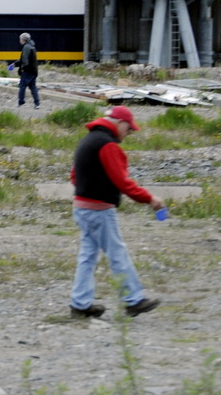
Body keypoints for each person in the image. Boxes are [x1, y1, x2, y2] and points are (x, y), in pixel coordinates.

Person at [68, 106, 164, 318]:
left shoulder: (88, 140)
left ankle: (80, 303)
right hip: (99, 210)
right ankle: (133, 300)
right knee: (117, 253)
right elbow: (122, 181)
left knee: (88, 256)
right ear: (120, 123)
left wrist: (87, 190)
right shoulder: (107, 145)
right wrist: (149, 199)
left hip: (82, 207)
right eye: (129, 129)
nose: (128, 134)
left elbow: (74, 175)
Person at [17, 32, 40, 108]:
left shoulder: (26, 47)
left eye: (20, 39)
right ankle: (37, 103)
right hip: (34, 70)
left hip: (27, 71)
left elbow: (25, 60)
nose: (20, 41)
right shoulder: (32, 46)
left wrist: (22, 69)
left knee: (22, 86)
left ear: (23, 40)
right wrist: (16, 64)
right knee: (33, 87)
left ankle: (21, 102)